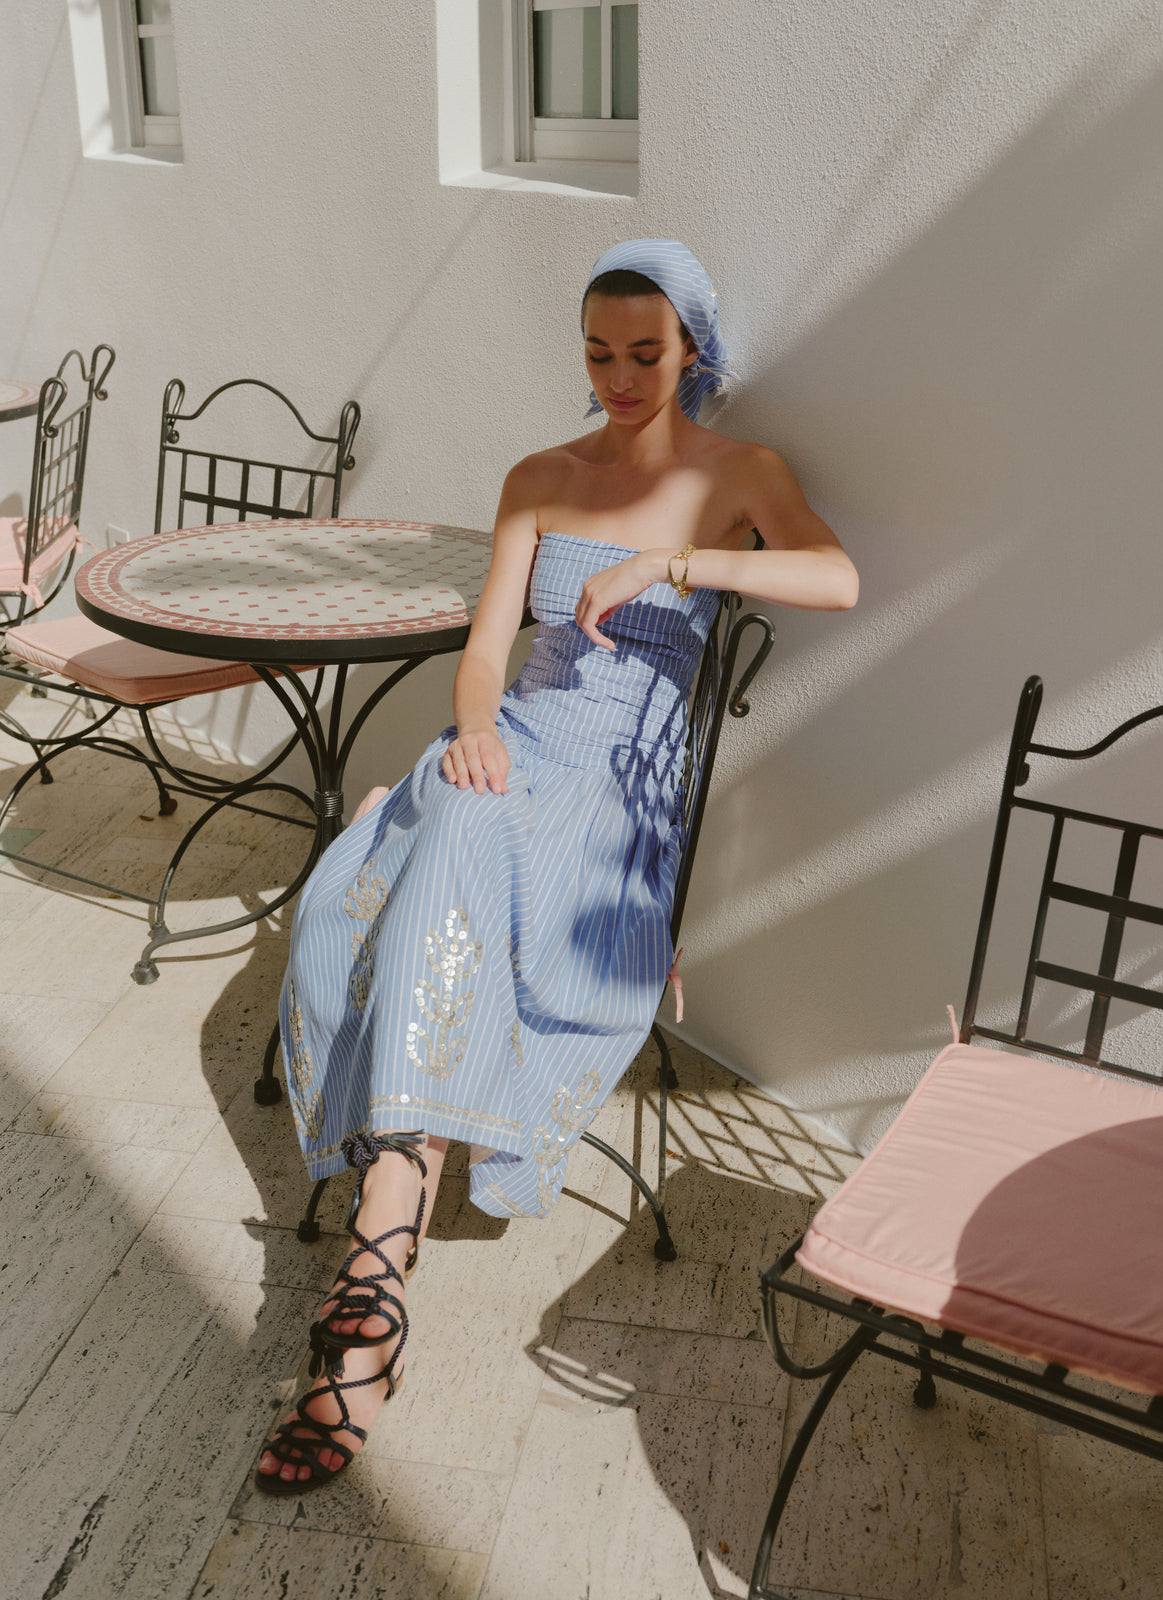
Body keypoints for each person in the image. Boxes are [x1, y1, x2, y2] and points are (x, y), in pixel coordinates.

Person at [255, 238, 858, 1492]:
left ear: (693, 351)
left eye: (648, 352)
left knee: (426, 859)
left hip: (617, 791)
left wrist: (679, 563)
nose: (623, 375)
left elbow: (835, 576)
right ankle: (378, 1275)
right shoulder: (538, 474)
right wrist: (472, 730)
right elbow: (484, 652)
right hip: (511, 744)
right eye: (599, 352)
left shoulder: (741, 472)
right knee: (388, 879)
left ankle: (364, 1309)